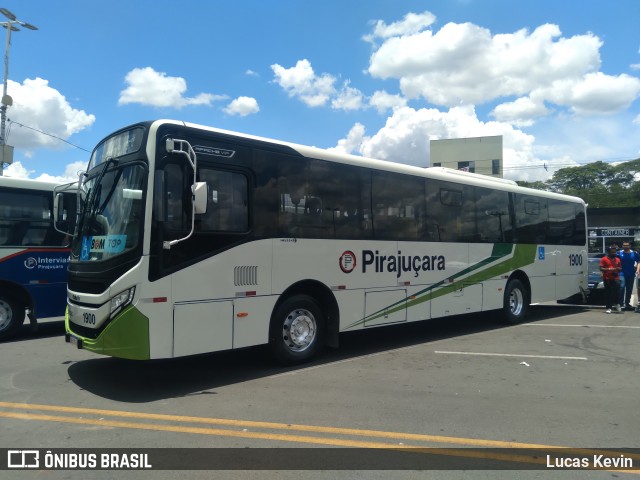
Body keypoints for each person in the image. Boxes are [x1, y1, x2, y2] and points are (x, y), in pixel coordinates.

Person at [617, 241, 640, 310]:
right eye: (624, 245)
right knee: (622, 287)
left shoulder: (634, 253)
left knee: (629, 289)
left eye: (627, 245)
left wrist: (638, 270)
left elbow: (639, 262)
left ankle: (627, 303)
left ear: (630, 246)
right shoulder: (619, 253)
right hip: (621, 273)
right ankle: (620, 303)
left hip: (631, 274)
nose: (625, 246)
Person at [600, 245, 622, 314]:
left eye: (615, 252)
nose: (614, 253)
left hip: (615, 277)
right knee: (608, 292)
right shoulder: (603, 259)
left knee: (617, 290)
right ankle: (609, 307)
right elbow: (601, 268)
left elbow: (620, 268)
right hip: (607, 278)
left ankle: (617, 303)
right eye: (612, 252)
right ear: (608, 252)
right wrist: (609, 269)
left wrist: (619, 269)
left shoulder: (617, 259)